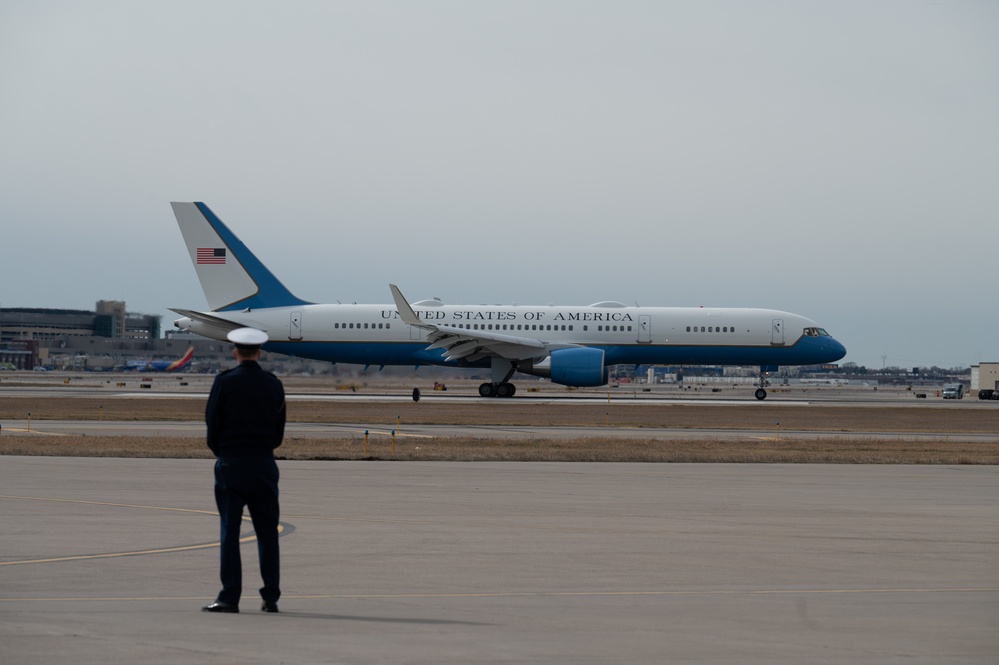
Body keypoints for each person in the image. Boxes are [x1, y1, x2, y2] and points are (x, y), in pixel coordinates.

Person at [201, 327, 286, 614]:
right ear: (259, 352)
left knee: (230, 531)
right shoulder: (273, 384)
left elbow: (212, 427)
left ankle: (229, 596)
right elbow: (278, 432)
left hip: (232, 463)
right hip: (263, 463)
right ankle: (271, 596)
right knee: (267, 533)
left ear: (235, 351)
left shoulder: (225, 382)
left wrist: (224, 453)